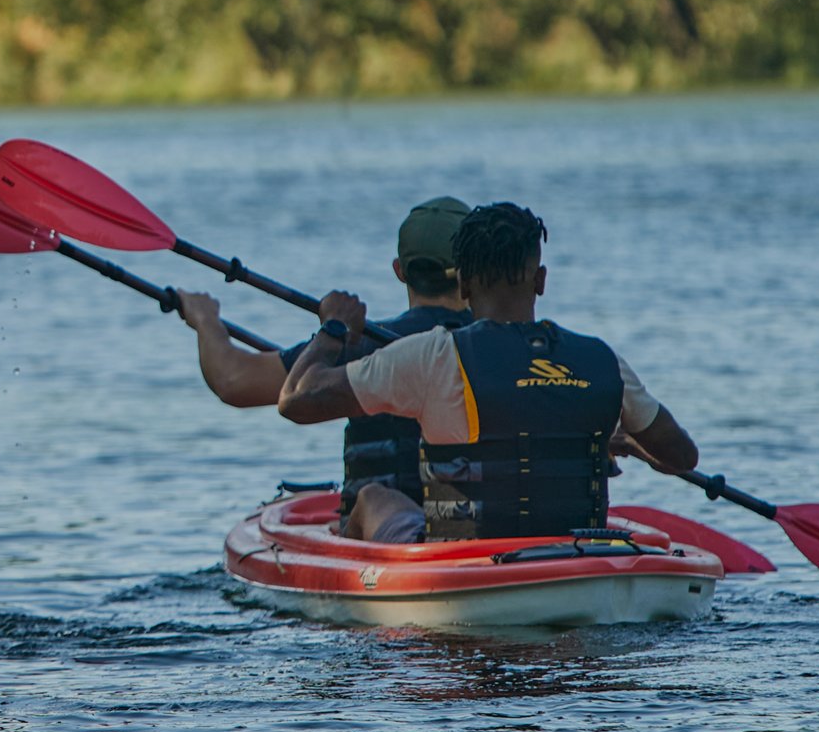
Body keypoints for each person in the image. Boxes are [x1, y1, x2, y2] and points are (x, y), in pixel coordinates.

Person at [278, 203, 699, 543]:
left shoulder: (432, 355)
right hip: (575, 560)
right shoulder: (602, 359)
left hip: (465, 567)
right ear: (541, 280)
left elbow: (297, 400)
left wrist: (332, 329)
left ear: (462, 285)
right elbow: (681, 457)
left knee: (372, 497)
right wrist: (610, 439)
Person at [174, 197, 474, 522]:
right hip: (479, 530)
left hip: (384, 530)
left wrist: (204, 319)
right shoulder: (506, 347)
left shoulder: (359, 344)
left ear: (399, 271)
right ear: (470, 273)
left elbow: (233, 380)